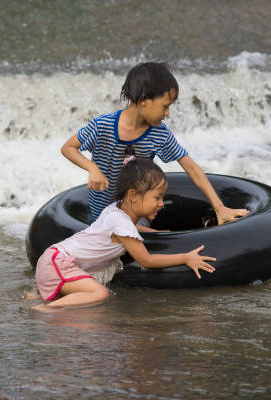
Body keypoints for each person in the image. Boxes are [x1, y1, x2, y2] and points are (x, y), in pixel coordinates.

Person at [61, 61, 249, 229]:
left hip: (137, 211)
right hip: (102, 213)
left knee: (140, 232)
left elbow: (191, 168)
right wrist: (92, 168)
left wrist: (220, 207)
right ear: (144, 100)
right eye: (165, 106)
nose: (167, 113)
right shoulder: (104, 125)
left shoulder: (159, 133)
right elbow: (68, 148)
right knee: (120, 233)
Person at [30, 157, 216, 311]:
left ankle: (34, 299)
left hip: (53, 259)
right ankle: (45, 310)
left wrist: (155, 231)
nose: (161, 204)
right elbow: (146, 261)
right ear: (133, 195)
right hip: (60, 265)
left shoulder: (114, 210)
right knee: (100, 294)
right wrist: (185, 258)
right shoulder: (123, 225)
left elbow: (130, 229)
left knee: (86, 295)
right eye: (157, 198)